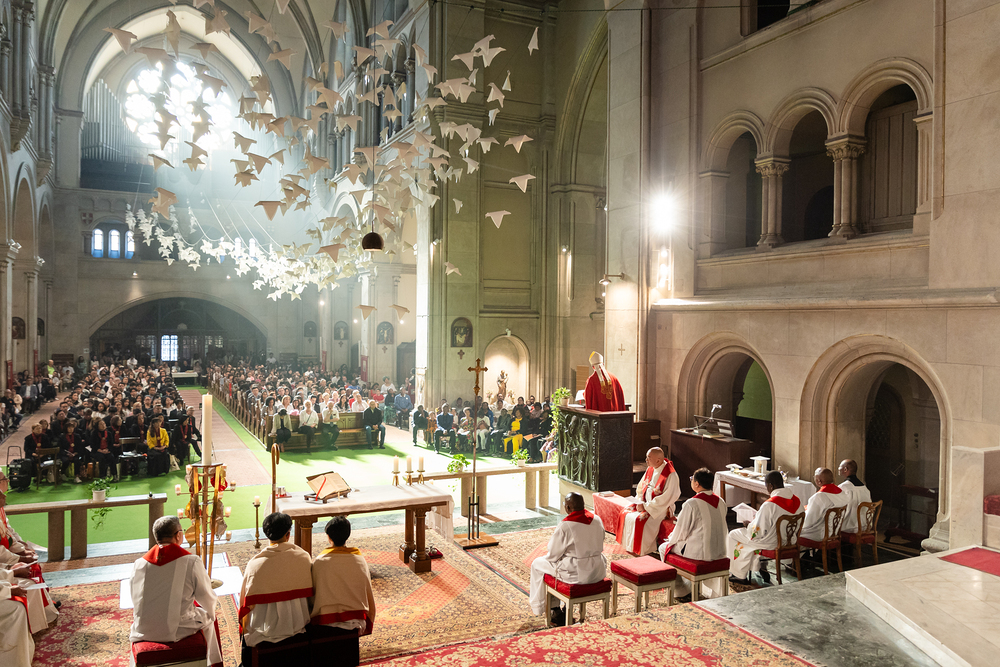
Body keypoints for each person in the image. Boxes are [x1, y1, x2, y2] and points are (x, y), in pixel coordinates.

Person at [129, 516, 222, 667]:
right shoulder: (190, 561)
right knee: (210, 619)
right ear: (178, 535)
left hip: (143, 628)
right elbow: (206, 596)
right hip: (178, 629)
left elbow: (135, 597)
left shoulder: (140, 564)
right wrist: (210, 611)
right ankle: (212, 663)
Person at [238, 512, 313, 664]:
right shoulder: (303, 557)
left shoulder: (255, 565)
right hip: (297, 626)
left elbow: (244, 605)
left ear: (267, 535)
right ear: (288, 534)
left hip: (264, 631)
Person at [528, 493, 607, 625]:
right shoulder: (597, 519)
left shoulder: (566, 525)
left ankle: (552, 609)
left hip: (576, 573)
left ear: (568, 507)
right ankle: (564, 607)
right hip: (597, 571)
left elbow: (553, 554)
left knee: (537, 564)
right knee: (554, 565)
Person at [311, 516, 376, 665]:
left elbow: (313, 592)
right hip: (355, 621)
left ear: (328, 537)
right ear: (348, 534)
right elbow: (366, 590)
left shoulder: (320, 562)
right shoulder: (359, 560)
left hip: (325, 622)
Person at [659, 468, 728, 600]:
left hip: (701, 554)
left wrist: (670, 539)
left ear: (696, 484)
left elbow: (681, 532)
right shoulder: (721, 501)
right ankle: (691, 586)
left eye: (692, 479)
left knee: (663, 548)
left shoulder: (692, 503)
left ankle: (681, 590)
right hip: (721, 551)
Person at [728, 471, 802, 585]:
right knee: (750, 540)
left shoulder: (769, 505)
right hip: (791, 541)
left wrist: (749, 525)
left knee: (734, 535)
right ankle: (761, 566)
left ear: (771, 486)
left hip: (772, 544)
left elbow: (757, 533)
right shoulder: (797, 501)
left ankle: (739, 574)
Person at [617, 447, 680, 556]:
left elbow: (668, 497)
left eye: (648, 457)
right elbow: (641, 487)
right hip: (644, 502)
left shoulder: (670, 474)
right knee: (625, 513)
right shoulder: (651, 468)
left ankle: (643, 550)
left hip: (660, 507)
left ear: (658, 460)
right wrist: (639, 501)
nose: (646, 460)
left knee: (640, 520)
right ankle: (629, 546)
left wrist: (646, 506)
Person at [799, 467, 851, 543]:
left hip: (819, 534)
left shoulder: (819, 497)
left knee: (793, 533)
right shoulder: (842, 493)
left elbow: (809, 522)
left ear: (819, 481)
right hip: (835, 532)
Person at [838, 459, 873, 534]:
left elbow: (838, 508)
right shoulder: (865, 488)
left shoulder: (844, 487)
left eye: (840, 466)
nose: (838, 468)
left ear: (845, 469)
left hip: (849, 527)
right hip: (865, 526)